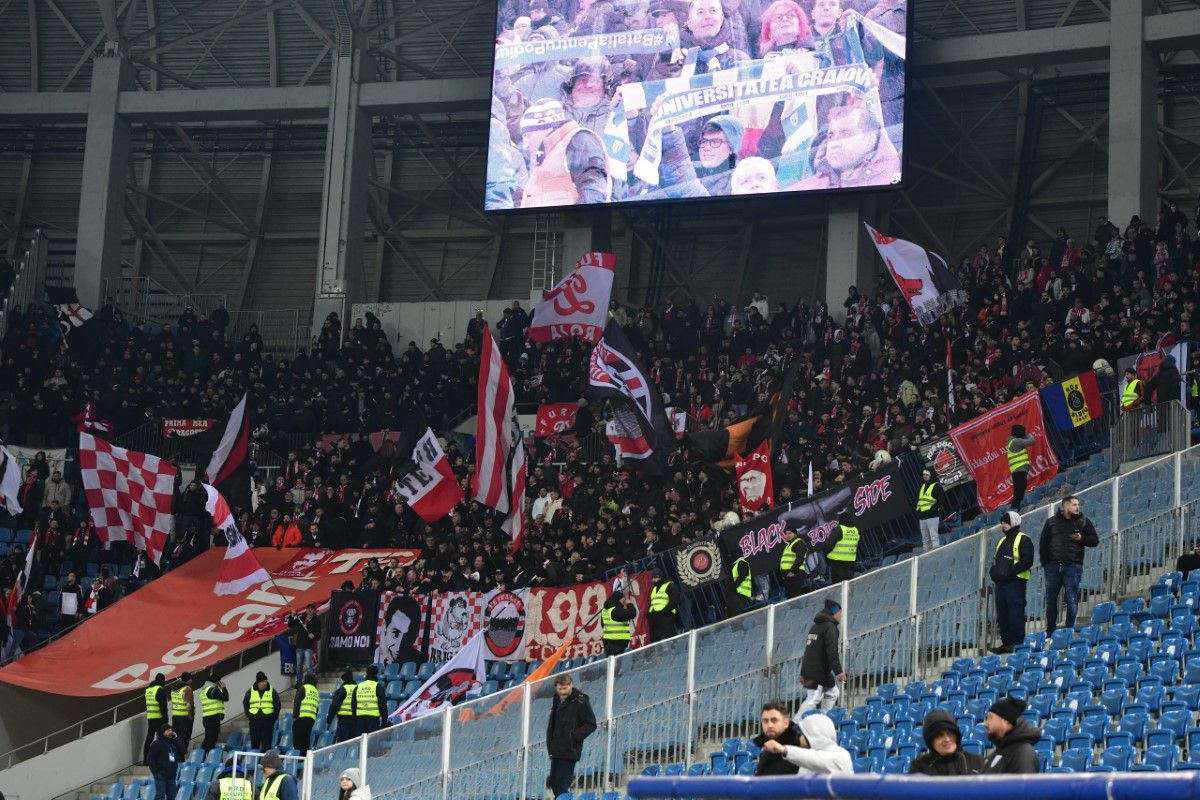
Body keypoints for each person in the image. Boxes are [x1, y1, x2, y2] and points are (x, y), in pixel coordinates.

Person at [518, 99, 610, 208]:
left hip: (577, 224)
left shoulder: (580, 140)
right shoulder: (548, 158)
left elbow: (593, 190)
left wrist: (584, 220)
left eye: (528, 135)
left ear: (547, 128)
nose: (526, 145)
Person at [793, 106, 900, 190]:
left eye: (846, 134)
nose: (834, 143)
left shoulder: (896, 173)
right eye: (831, 136)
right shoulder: (802, 188)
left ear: (869, 141)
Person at [1040, 495, 1099, 634]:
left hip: (1073, 566)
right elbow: (1043, 544)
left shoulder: (1084, 521)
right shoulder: (1051, 522)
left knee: (1072, 598)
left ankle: (1069, 630)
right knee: (1051, 600)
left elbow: (1095, 540)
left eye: (1078, 504)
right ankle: (1050, 631)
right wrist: (1046, 564)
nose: (1077, 507)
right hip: (1053, 567)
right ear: (1065, 506)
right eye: (1074, 504)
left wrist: (1082, 538)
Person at [988, 510, 1033, 654]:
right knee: (1003, 614)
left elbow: (1027, 561)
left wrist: (1008, 572)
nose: (1003, 524)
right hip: (1001, 583)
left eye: (1006, 521)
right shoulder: (1002, 540)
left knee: (1015, 612)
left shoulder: (1023, 539)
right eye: (1002, 522)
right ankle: (1006, 642)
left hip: (1016, 582)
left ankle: (1017, 643)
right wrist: (994, 573)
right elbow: (995, 561)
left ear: (1013, 522)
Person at [546, 674, 597, 798]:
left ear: (571, 685)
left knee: (561, 784)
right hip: (556, 749)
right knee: (554, 783)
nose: (562, 692)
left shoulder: (581, 700)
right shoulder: (556, 699)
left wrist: (573, 737)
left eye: (565, 688)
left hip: (569, 749)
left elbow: (591, 724)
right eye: (560, 689)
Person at [759, 713, 853, 773]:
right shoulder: (804, 766)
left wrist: (785, 750)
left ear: (814, 735)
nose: (799, 738)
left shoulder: (841, 755)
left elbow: (817, 759)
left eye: (802, 734)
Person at [799, 598, 845, 713]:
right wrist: (839, 672)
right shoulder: (830, 628)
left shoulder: (815, 627)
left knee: (833, 692)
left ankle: (823, 718)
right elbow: (832, 651)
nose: (841, 614)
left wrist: (803, 673)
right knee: (814, 698)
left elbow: (808, 652)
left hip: (812, 670)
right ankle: (796, 723)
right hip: (818, 671)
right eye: (840, 612)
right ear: (834, 612)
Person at [909, 710, 985, 775]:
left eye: (950, 733)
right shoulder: (920, 766)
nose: (947, 739)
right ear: (930, 741)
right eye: (939, 735)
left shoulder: (977, 761)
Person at [983, 696, 1040, 773]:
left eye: (990, 718)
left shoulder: (1023, 753)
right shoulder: (998, 752)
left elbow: (1023, 784)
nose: (986, 724)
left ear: (1006, 721)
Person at [752, 701, 806, 775]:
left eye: (774, 720)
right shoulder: (767, 750)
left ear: (786, 723)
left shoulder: (799, 748)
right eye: (765, 721)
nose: (769, 725)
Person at [374, 594, 423, 665]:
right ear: (384, 627)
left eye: (407, 636)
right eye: (395, 634)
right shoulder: (374, 655)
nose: (398, 646)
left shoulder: (416, 660)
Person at [243, 671, 280, 751]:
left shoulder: (272, 691)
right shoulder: (250, 691)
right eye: (262, 681)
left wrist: (273, 718)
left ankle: (265, 762)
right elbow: (245, 703)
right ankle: (255, 761)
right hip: (254, 722)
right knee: (255, 744)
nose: (264, 683)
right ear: (258, 683)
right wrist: (249, 715)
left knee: (266, 745)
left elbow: (277, 705)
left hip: (268, 722)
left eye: (265, 681)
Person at [288, 604, 321, 687]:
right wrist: (292, 615)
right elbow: (291, 625)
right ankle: (299, 683)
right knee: (299, 666)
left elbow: (318, 636)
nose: (310, 610)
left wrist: (313, 636)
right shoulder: (301, 619)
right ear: (306, 610)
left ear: (314, 611)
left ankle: (311, 683)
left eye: (311, 609)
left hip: (308, 647)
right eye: (308, 609)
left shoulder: (317, 621)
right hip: (299, 646)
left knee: (309, 666)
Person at [1005, 424, 1036, 510]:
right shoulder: (1016, 442)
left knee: (1019, 489)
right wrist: (1025, 434)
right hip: (1019, 469)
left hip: (1018, 469)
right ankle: (1015, 508)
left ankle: (1015, 507)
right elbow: (1033, 441)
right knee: (1020, 490)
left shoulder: (1011, 441)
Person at [146, 723, 180, 800]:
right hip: (161, 775)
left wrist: (176, 738)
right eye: (168, 730)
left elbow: (184, 750)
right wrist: (155, 772)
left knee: (172, 797)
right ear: (163, 732)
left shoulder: (173, 743)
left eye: (171, 730)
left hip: (171, 776)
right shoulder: (156, 743)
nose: (170, 732)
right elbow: (150, 758)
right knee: (160, 796)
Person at [915, 469, 945, 552]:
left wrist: (932, 509)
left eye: (927, 474)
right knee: (925, 539)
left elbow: (941, 500)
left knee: (933, 537)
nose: (925, 476)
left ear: (931, 475)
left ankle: (936, 554)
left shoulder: (936, 486)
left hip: (932, 516)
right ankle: (927, 556)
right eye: (924, 474)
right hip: (922, 517)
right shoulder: (923, 486)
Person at [646, 570, 680, 643]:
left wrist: (664, 612)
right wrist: (649, 614)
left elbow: (674, 600)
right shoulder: (654, 589)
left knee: (667, 639)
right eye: (653, 578)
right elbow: (652, 602)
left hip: (665, 616)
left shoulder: (670, 585)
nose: (654, 580)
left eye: (656, 578)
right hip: (654, 618)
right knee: (656, 642)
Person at [600, 589, 637, 656]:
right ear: (619, 600)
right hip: (617, 645)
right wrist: (629, 603)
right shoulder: (615, 610)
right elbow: (632, 613)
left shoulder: (605, 610)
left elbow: (603, 625)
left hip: (609, 644)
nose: (623, 603)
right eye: (623, 600)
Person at [143, 672, 169, 765]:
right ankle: (161, 759)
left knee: (149, 739)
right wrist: (166, 721)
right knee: (161, 740)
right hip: (159, 719)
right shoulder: (160, 690)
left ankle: (146, 761)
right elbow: (163, 706)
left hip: (150, 718)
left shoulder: (148, 690)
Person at [825, 513, 859, 584]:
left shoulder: (838, 529)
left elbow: (829, 544)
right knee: (849, 583)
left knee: (838, 585)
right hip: (850, 559)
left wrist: (827, 555)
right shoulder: (855, 530)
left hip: (837, 561)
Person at [199, 672, 229, 753]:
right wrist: (224, 688)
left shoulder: (204, 690)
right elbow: (225, 698)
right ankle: (209, 758)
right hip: (213, 719)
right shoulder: (213, 690)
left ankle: (201, 756)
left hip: (206, 718)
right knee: (212, 740)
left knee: (208, 739)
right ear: (217, 681)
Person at [293, 673, 320, 755]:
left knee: (298, 740)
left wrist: (295, 716)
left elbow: (297, 703)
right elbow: (317, 707)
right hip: (311, 719)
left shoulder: (303, 688)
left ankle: (300, 758)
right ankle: (305, 758)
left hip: (301, 718)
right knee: (306, 740)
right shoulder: (316, 691)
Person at [778, 529, 810, 598]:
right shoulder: (788, 546)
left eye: (790, 533)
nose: (787, 535)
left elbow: (800, 558)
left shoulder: (798, 542)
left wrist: (793, 571)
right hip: (789, 576)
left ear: (795, 534)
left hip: (795, 574)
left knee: (795, 598)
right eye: (786, 534)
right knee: (791, 598)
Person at [328, 671, 358, 743]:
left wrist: (329, 719)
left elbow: (334, 705)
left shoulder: (342, 689)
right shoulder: (358, 688)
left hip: (343, 720)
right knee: (353, 744)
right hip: (355, 720)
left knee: (342, 744)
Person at [356, 664, 386, 736]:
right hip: (373, 719)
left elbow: (353, 703)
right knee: (371, 742)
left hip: (360, 718)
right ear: (376, 673)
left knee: (360, 742)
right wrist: (384, 720)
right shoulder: (378, 687)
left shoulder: (359, 686)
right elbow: (383, 705)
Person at [169, 672, 196, 751]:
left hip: (175, 716)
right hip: (184, 716)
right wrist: (191, 716)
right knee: (185, 736)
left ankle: (176, 753)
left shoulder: (173, 689)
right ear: (189, 680)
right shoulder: (187, 689)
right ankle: (182, 754)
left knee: (176, 737)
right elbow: (189, 705)